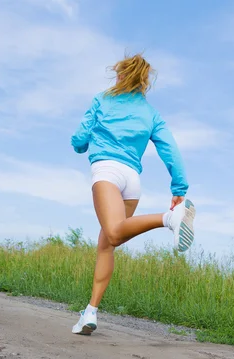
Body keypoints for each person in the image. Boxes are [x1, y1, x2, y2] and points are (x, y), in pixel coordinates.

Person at [70, 53, 196, 335]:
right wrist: (179, 187)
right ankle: (90, 312)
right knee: (106, 245)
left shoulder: (102, 99)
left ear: (123, 75)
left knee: (113, 233)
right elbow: (170, 150)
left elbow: (79, 139)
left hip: (108, 173)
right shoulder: (151, 114)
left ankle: (169, 219)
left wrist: (81, 145)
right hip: (132, 181)